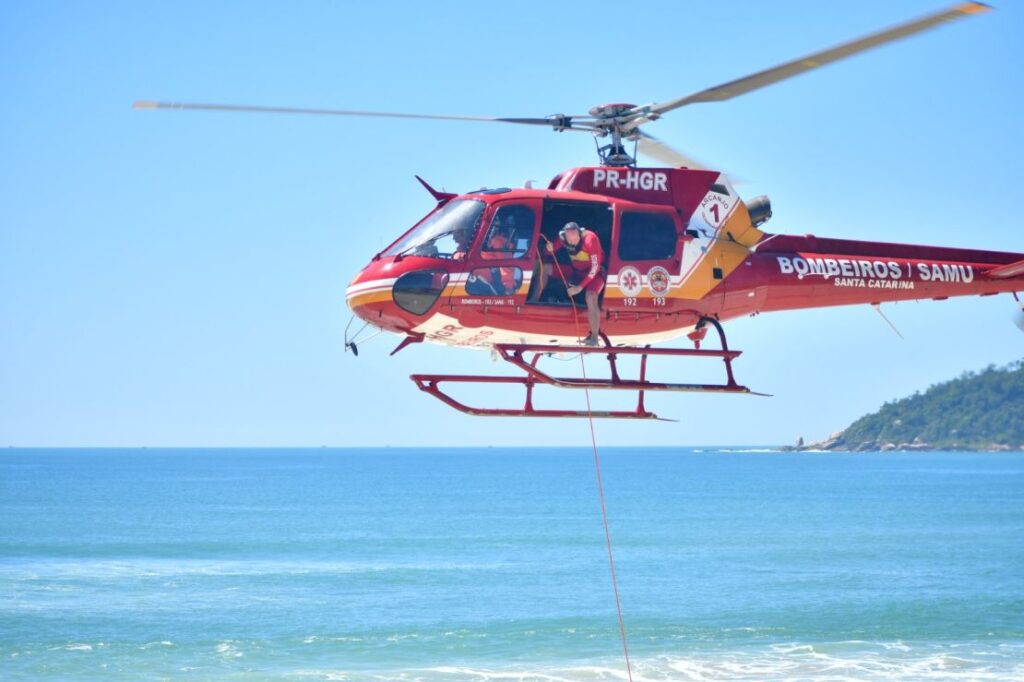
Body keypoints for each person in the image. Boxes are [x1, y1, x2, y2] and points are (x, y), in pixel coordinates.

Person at [538, 221, 606, 345]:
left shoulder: (590, 240)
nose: (573, 243)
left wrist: (579, 287)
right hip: (576, 271)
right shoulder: (562, 239)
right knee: (546, 268)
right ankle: (536, 299)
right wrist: (549, 248)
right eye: (570, 241)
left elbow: (595, 268)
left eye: (575, 239)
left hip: (595, 274)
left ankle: (594, 337)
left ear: (580, 234)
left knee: (591, 297)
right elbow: (548, 251)